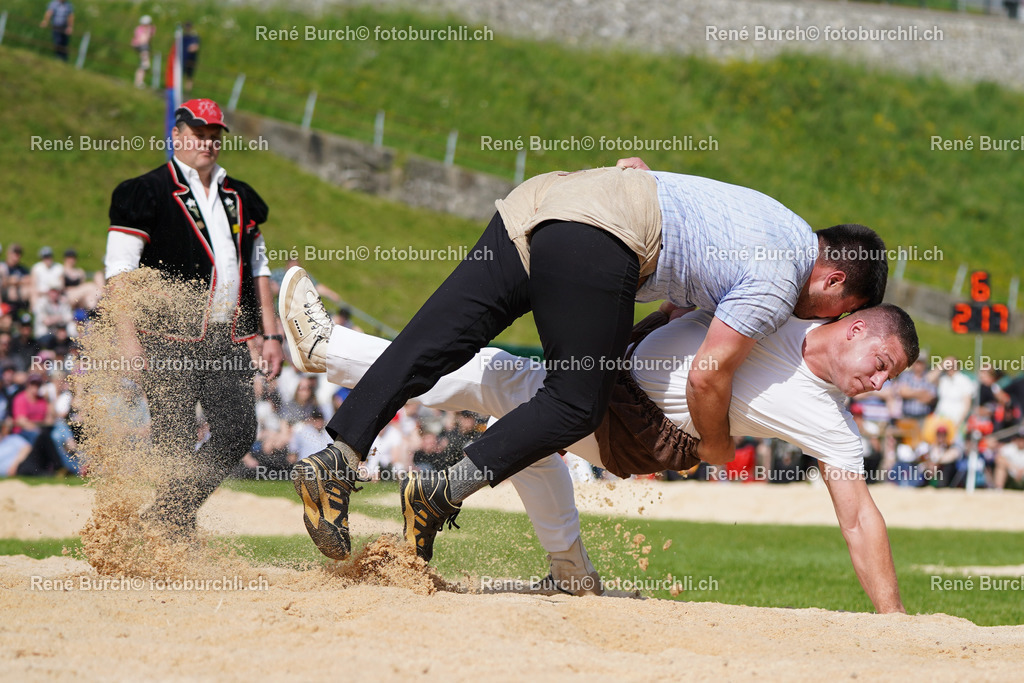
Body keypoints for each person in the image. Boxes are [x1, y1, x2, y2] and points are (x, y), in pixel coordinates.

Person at [281, 163, 889, 562]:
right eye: (835, 312)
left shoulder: (773, 219)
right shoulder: (783, 278)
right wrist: (715, 447)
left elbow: (667, 216)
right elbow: (709, 373)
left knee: (430, 346)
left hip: (548, 198)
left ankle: (337, 459)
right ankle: (439, 490)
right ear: (834, 279)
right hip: (598, 234)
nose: (818, 321)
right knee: (575, 403)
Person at [285, 284, 915, 611]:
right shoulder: (778, 306)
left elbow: (859, 518)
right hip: (609, 375)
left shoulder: (832, 423)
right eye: (882, 363)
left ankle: (330, 349)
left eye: (890, 377)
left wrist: (892, 623)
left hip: (630, 426)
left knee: (499, 379)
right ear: (855, 328)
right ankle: (571, 572)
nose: (879, 383)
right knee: (524, 431)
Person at [103, 98, 283, 537]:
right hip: (166, 336)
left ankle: (166, 516)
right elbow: (119, 273)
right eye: (199, 134)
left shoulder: (240, 197)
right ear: (177, 135)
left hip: (227, 337)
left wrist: (270, 334)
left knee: (237, 431)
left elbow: (258, 268)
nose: (207, 143)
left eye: (214, 136)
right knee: (175, 440)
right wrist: (127, 338)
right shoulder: (145, 192)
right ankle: (175, 538)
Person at [131, 16, 156, 89]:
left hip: (144, 47)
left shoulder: (150, 29)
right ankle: (139, 81)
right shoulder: (140, 29)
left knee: (142, 66)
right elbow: (143, 40)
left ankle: (138, 81)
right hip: (142, 47)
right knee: (144, 65)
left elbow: (147, 39)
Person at [182, 23, 201, 93]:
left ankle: (187, 91)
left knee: (189, 76)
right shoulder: (184, 36)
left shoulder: (194, 37)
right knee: (181, 73)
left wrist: (190, 49)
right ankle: (179, 89)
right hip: (183, 58)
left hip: (191, 60)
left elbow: (195, 47)